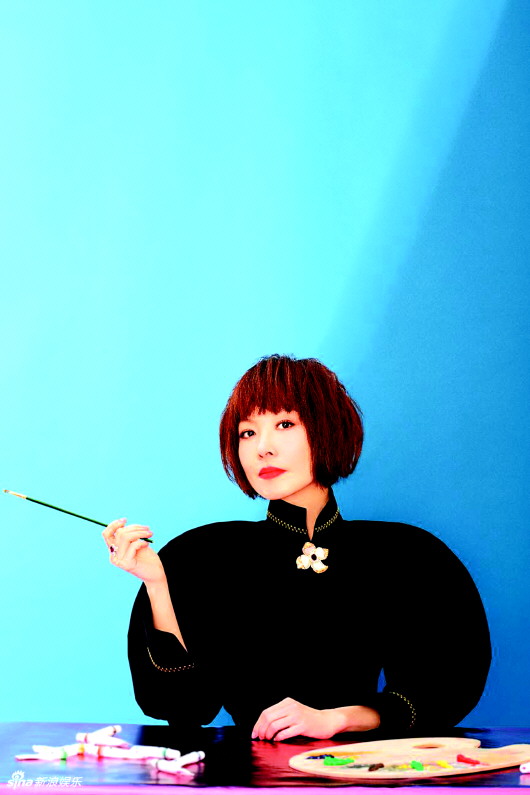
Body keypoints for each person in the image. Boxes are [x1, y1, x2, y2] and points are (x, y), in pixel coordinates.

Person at [103, 354, 491, 741]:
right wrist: (157, 584)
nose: (263, 448)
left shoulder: (407, 554)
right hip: (248, 770)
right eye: (247, 433)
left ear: (328, 429)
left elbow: (451, 683)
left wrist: (341, 718)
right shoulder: (200, 555)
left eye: (285, 424)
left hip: (364, 769)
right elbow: (179, 706)